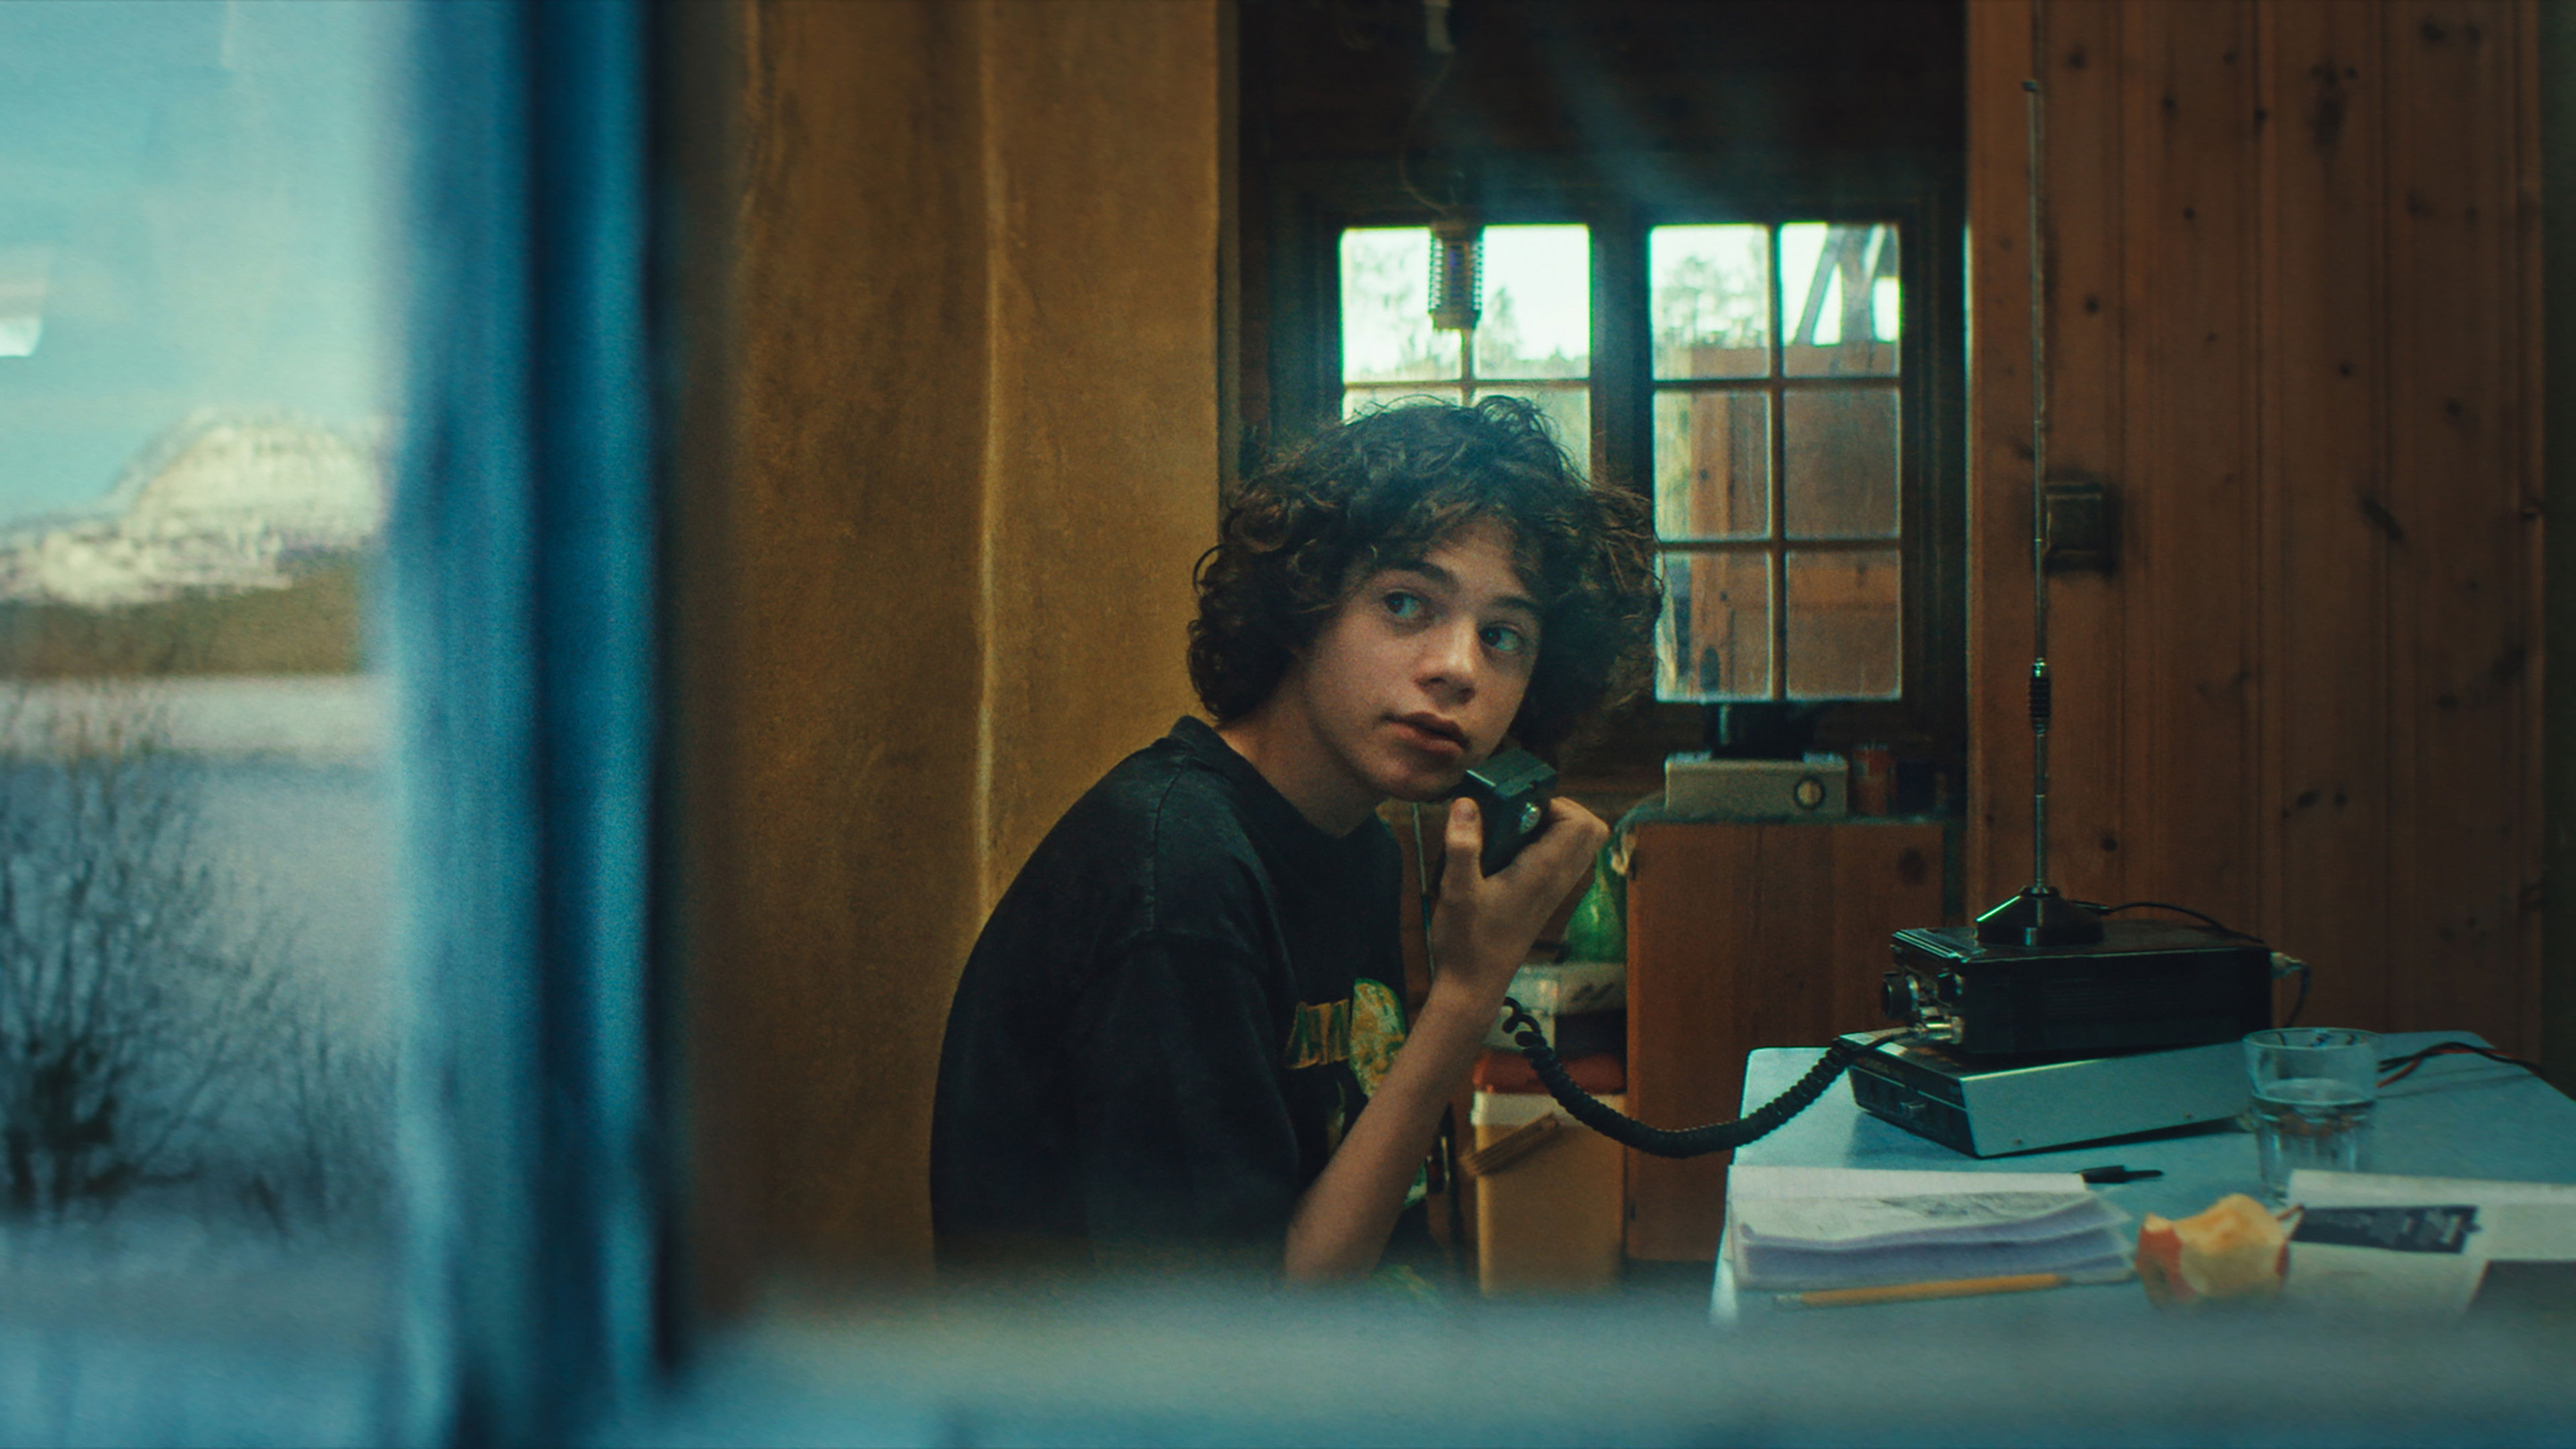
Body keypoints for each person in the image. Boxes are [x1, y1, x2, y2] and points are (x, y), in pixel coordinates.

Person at [930, 395, 1661, 1282]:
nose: (1458, 669)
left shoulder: (1356, 843)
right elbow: (1249, 1336)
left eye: (1504, 636)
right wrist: (1469, 993)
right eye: (1405, 603)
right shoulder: (1178, 874)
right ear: (1304, 611)